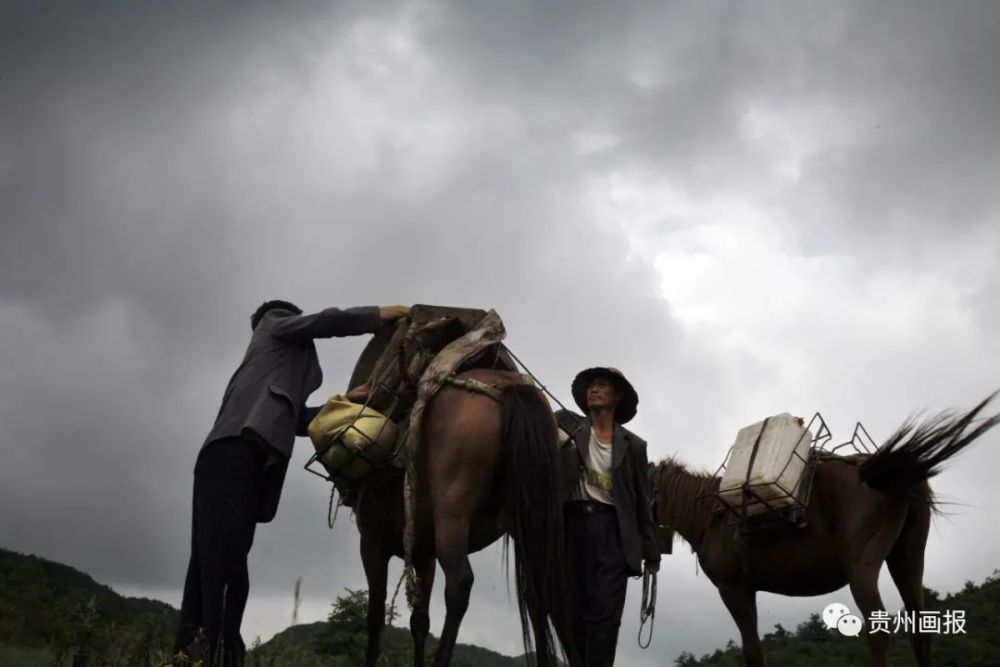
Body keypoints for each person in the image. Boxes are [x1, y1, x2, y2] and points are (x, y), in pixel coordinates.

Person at [173, 300, 410, 666]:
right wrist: (382, 314)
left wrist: (346, 402)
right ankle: (218, 655)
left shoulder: (280, 368)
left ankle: (189, 655)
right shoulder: (273, 322)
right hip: (233, 452)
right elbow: (327, 320)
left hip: (237, 460)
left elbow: (297, 420)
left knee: (212, 564)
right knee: (223, 568)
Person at [556, 367, 660, 666]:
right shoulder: (567, 428)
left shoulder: (634, 446)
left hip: (612, 533)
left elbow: (643, 500)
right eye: (591, 386)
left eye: (602, 386)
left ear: (618, 396)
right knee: (571, 611)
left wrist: (651, 553)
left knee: (604, 615)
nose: (594, 390)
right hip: (571, 527)